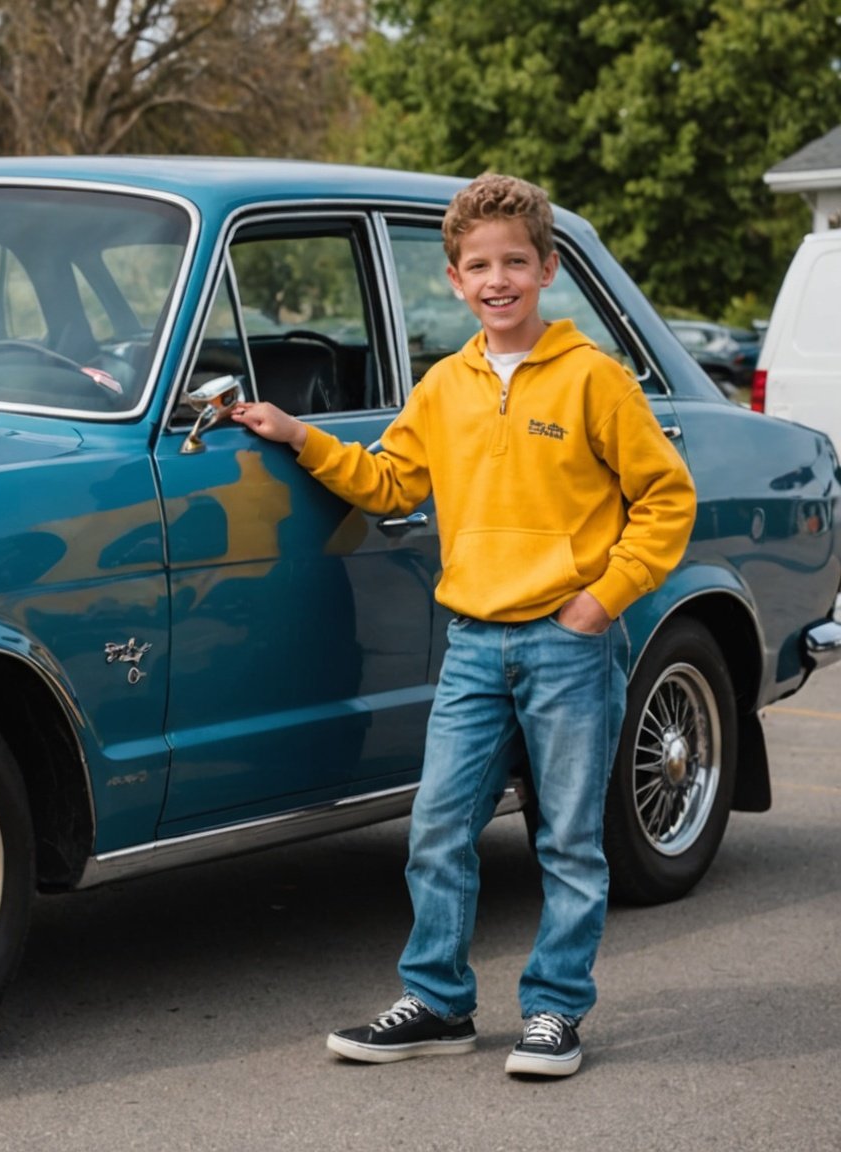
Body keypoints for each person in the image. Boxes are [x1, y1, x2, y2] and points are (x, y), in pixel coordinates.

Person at [229, 173, 696, 1078]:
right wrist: (297, 435)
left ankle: (555, 1011)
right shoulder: (446, 387)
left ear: (547, 269)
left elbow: (665, 499)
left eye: (515, 262)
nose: (497, 279)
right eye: (478, 265)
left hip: (570, 640)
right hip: (475, 643)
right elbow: (391, 482)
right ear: (452, 279)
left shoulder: (594, 379)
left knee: (567, 838)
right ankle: (438, 1002)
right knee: (438, 825)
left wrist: (603, 597)